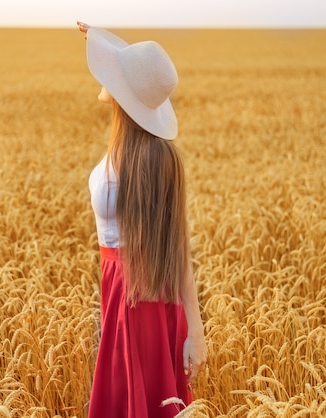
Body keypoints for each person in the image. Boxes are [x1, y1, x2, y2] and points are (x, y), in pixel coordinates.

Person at [77, 22, 209, 418]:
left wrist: (197, 331)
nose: (103, 77)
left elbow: (175, 247)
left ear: (123, 92)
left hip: (144, 300)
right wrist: (98, 38)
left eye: (113, 75)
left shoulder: (156, 158)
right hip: (119, 291)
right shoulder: (124, 145)